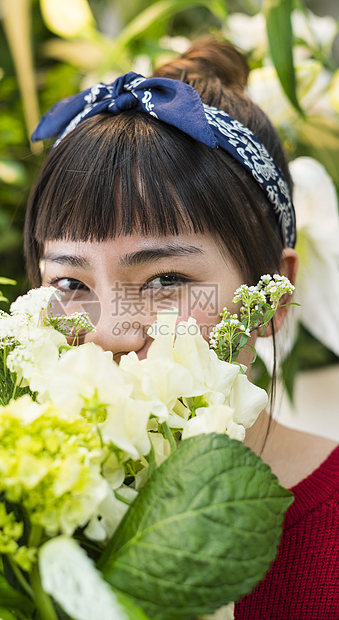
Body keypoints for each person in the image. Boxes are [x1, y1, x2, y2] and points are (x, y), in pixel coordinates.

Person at [26, 37, 339, 619]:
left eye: (165, 279)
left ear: (274, 292)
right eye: (72, 284)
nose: (110, 333)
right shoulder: (9, 518)